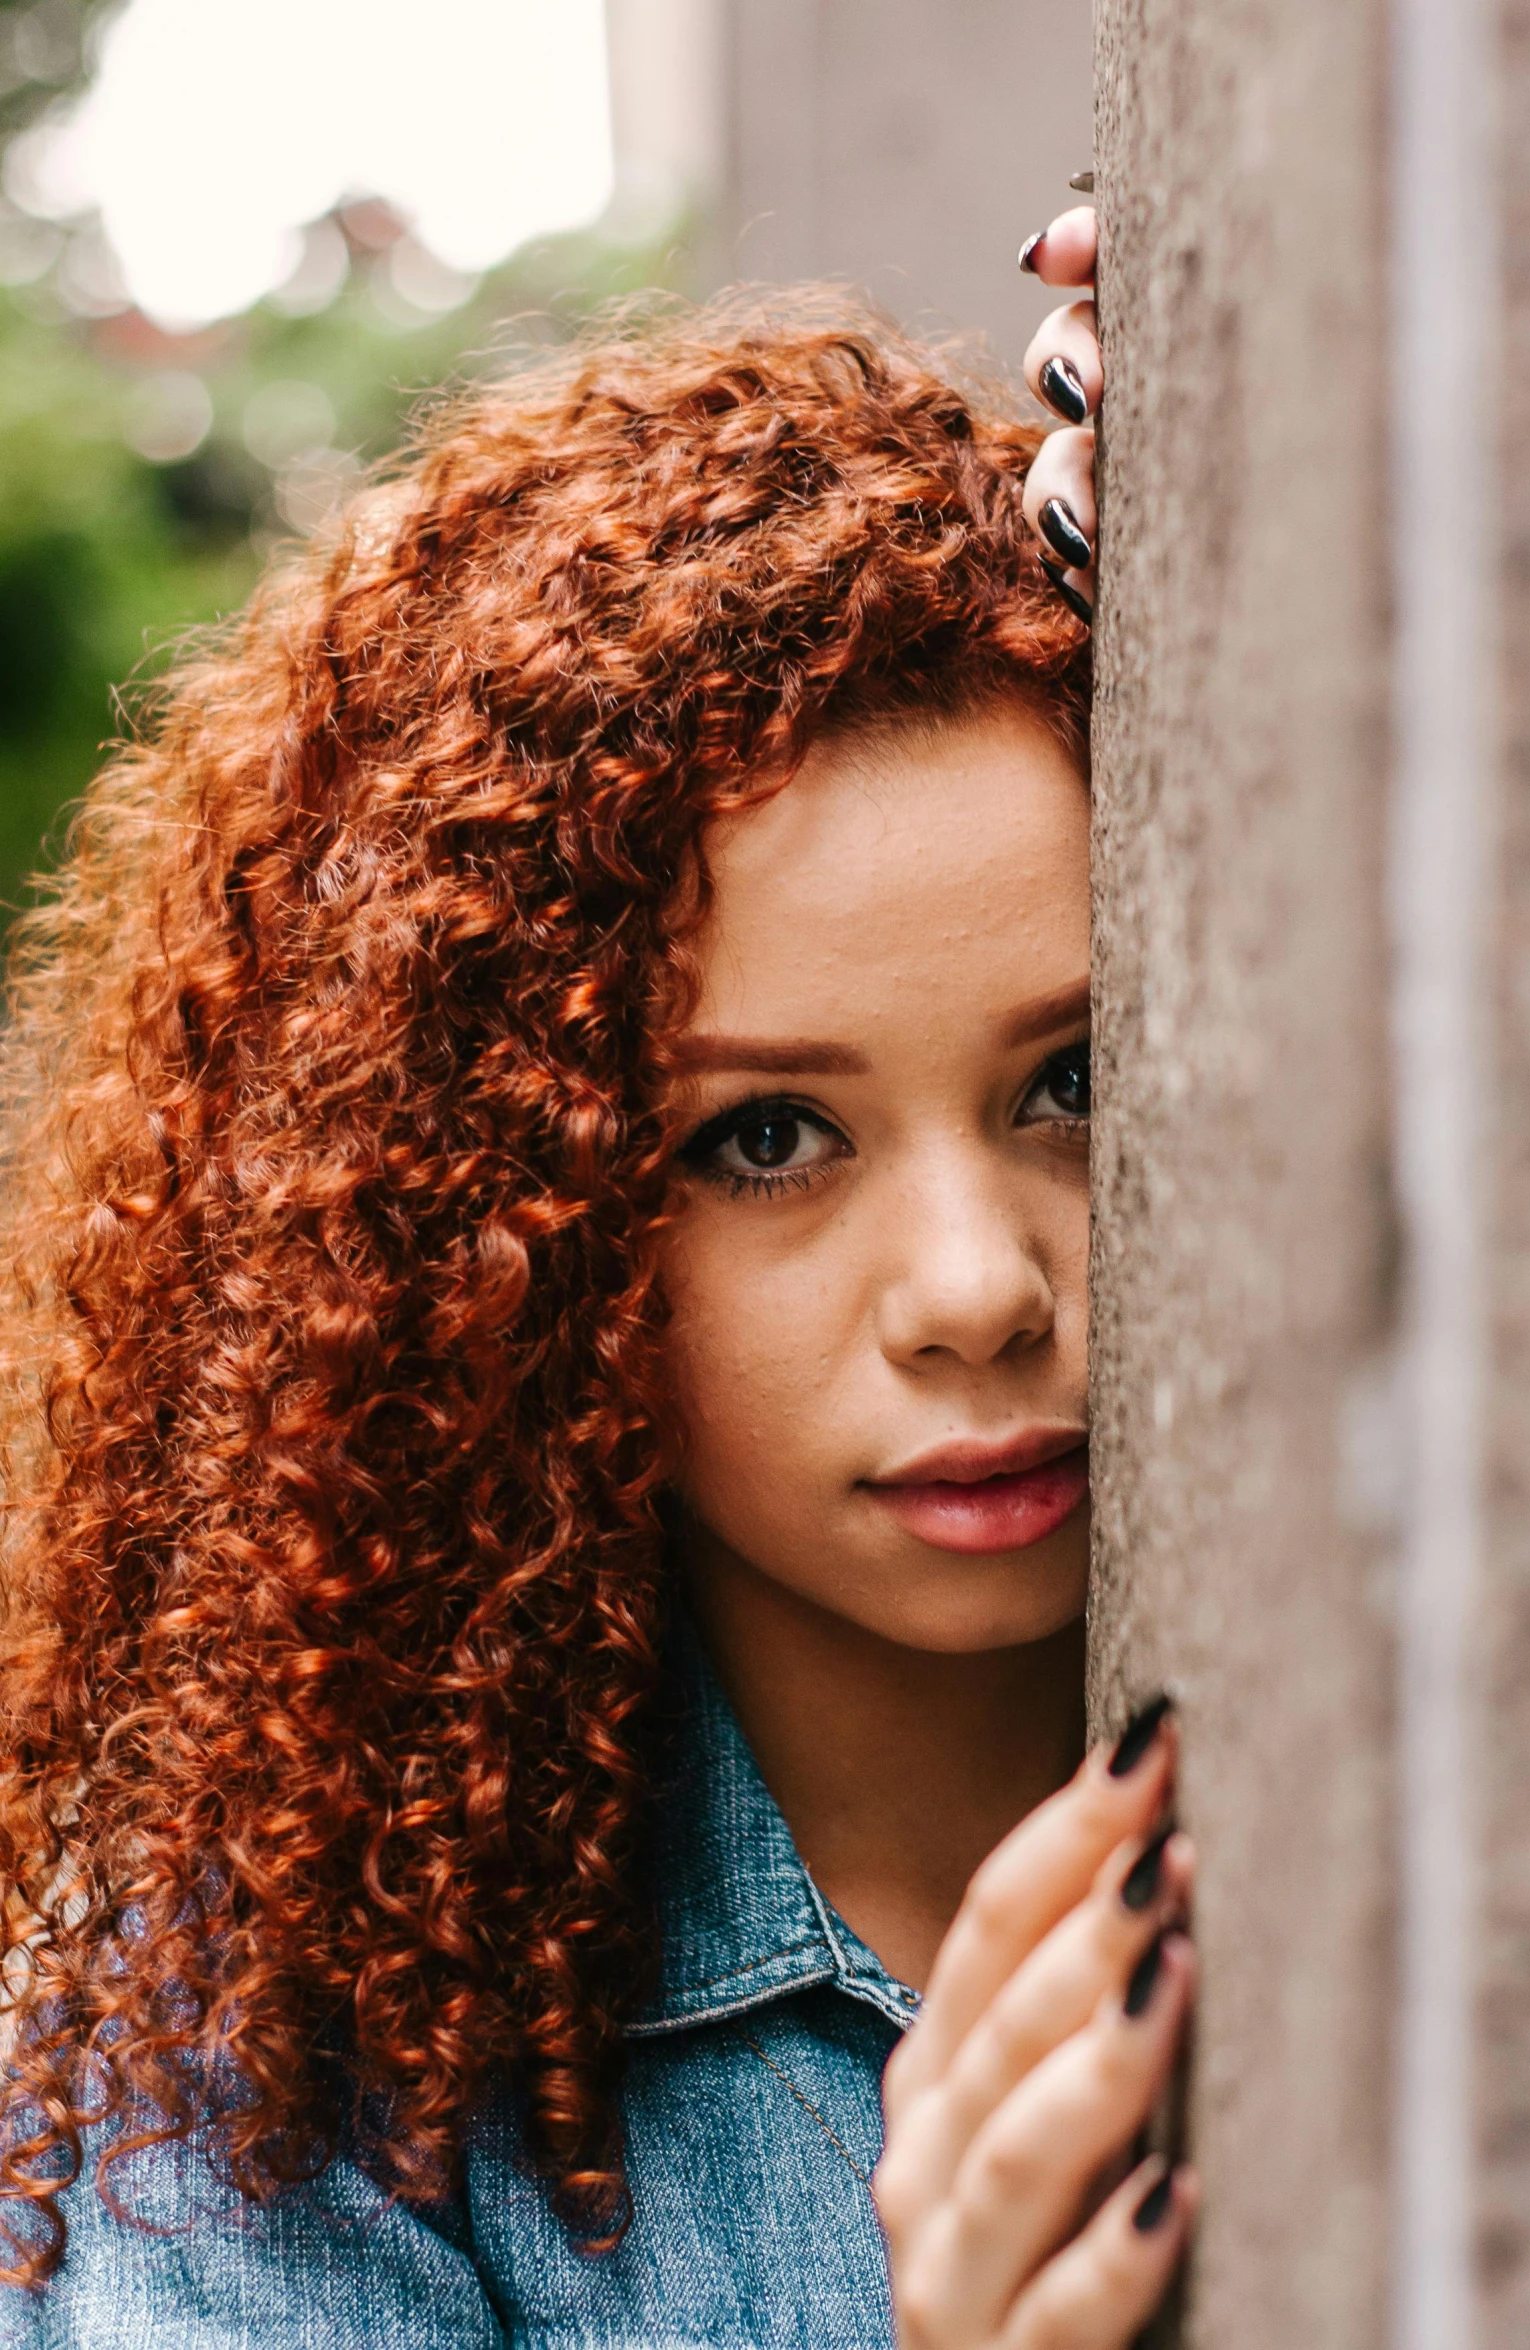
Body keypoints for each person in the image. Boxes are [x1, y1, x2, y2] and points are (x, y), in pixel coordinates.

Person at [0, 199, 1196, 2349]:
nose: (976, 1289)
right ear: (480, 1236)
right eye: (761, 1136)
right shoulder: (269, 2066)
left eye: (1074, 1078)